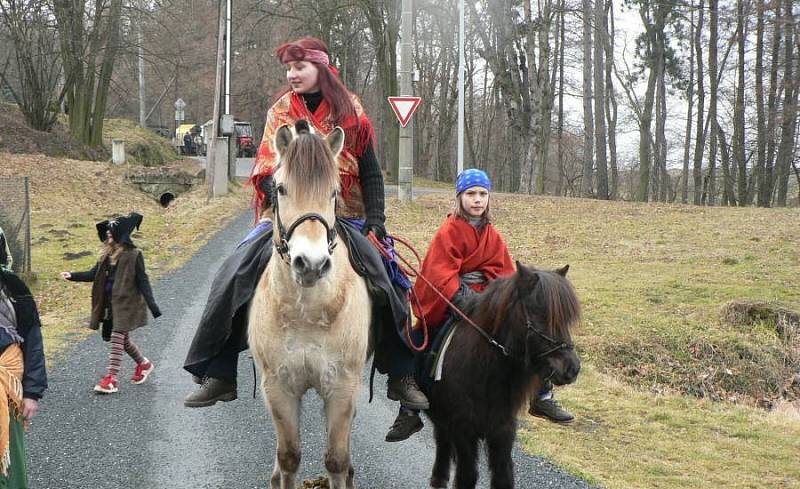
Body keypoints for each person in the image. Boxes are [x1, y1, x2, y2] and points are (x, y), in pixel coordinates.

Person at [182, 37, 428, 418]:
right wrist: (282, 191)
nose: (292, 74)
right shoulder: (280, 112)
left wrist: (376, 221)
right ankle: (220, 370)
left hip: (342, 213)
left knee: (388, 279)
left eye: (300, 67)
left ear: (322, 69)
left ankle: (401, 373)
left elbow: (371, 171)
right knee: (234, 270)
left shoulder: (351, 111)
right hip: (286, 215)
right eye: (289, 68)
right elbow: (264, 171)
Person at [387, 169, 574, 440]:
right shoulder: (448, 231)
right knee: (420, 339)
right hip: (452, 300)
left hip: (487, 297)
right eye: (471, 194)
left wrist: (498, 299)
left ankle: (542, 393)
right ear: (460, 197)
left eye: (483, 194)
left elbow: (504, 272)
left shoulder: (492, 234)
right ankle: (409, 411)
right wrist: (466, 299)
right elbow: (440, 273)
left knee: (528, 332)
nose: (477, 200)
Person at [60, 213, 161, 394]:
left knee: (117, 337)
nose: (108, 237)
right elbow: (93, 274)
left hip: (127, 304)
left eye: (111, 234)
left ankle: (111, 379)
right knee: (123, 340)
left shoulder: (134, 255)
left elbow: (143, 281)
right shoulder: (107, 255)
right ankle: (144, 364)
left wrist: (152, 305)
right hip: (110, 304)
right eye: (107, 234)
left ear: (120, 235)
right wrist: (72, 275)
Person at [0, 260, 47, 489]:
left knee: (2, 463)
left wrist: (32, 392)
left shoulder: (13, 288)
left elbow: (33, 340)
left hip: (8, 388)